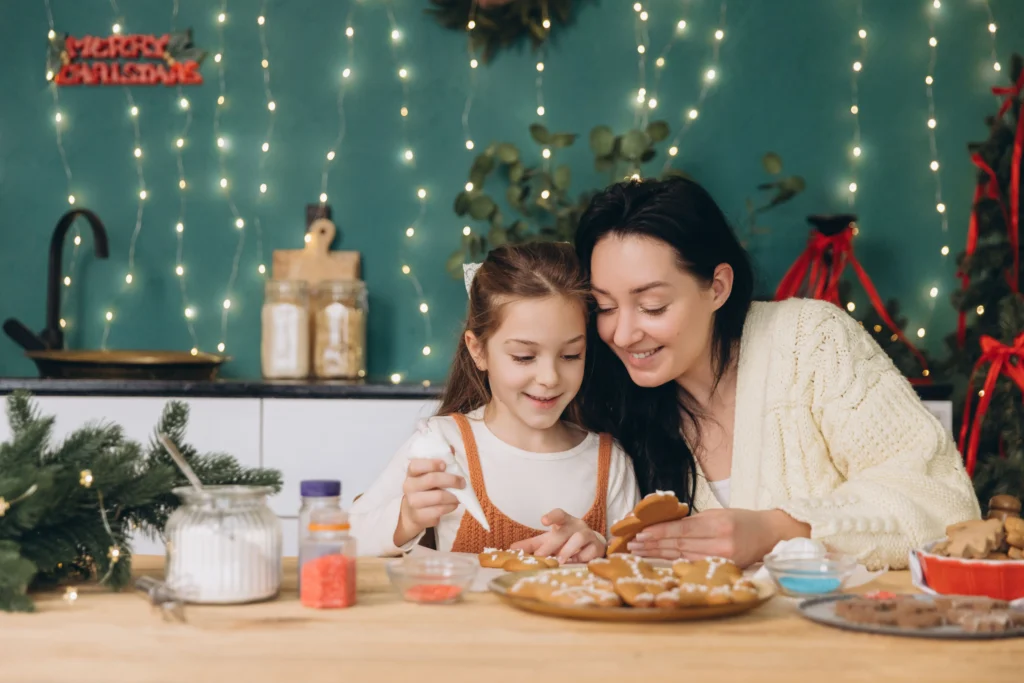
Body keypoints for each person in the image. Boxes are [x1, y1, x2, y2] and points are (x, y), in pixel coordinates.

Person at [570, 176, 980, 570]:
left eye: (653, 306)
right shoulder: (611, 399)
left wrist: (778, 531)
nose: (622, 334)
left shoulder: (811, 342)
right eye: (605, 307)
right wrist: (595, 544)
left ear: (718, 287)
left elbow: (945, 505)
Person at [350, 242, 640, 563]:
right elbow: (345, 538)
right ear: (478, 351)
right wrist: (407, 519)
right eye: (524, 356)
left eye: (571, 355)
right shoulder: (445, 443)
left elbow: (636, 573)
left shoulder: (610, 463)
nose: (550, 377)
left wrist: (602, 550)